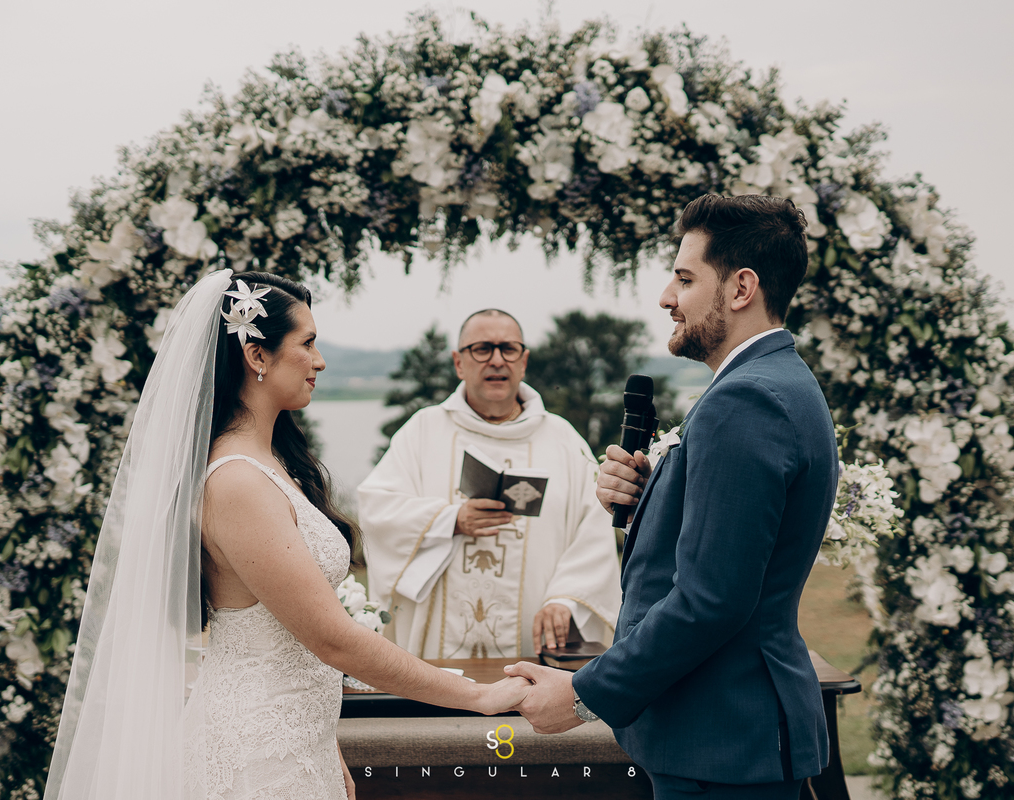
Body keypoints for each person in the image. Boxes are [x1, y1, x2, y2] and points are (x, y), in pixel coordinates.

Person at [44, 271, 529, 800]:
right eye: (308, 343)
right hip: (252, 757)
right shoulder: (236, 483)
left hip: (293, 743)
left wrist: (322, 742)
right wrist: (478, 697)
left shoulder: (269, 463)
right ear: (257, 357)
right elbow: (331, 639)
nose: (320, 361)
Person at [505, 195, 840, 800]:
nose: (666, 297)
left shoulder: (747, 401)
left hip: (722, 741)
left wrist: (582, 696)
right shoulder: (773, 381)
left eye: (685, 278)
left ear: (741, 288)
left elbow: (713, 598)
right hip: (727, 736)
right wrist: (641, 501)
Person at [357, 309, 622, 659]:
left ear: (523, 361)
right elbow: (377, 507)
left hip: (534, 644)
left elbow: (594, 534)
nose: (497, 360)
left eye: (508, 349)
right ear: (458, 362)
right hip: (439, 649)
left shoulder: (563, 441)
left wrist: (566, 599)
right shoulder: (424, 430)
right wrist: (449, 520)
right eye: (482, 348)